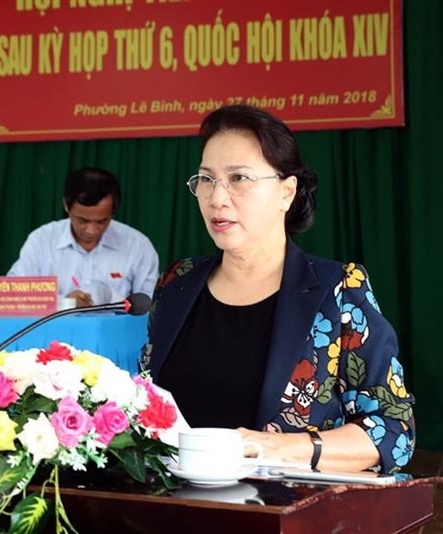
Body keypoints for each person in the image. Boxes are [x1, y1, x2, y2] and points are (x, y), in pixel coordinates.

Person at [141, 105, 415, 474]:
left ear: (287, 192)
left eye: (239, 178)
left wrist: (278, 447)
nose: (216, 198)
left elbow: (394, 431)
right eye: (206, 179)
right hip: (179, 508)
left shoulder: (338, 291)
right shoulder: (177, 283)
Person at [7, 167, 159, 307]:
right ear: (66, 205)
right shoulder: (42, 241)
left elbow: (150, 304)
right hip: (53, 333)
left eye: (102, 221)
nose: (92, 230)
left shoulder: (137, 245)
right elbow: (12, 295)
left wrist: (111, 297)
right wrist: (64, 303)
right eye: (83, 220)